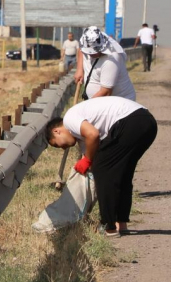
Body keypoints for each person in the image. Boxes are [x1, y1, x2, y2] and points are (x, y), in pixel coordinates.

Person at [46, 96, 157, 237]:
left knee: (103, 170)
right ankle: (121, 223)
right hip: (147, 122)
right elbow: (92, 150)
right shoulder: (80, 133)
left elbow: (93, 135)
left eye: (56, 144)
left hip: (131, 122)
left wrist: (87, 160)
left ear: (57, 131)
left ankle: (108, 226)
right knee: (123, 172)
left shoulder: (69, 120)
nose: (62, 148)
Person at [75, 26, 136, 101]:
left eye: (94, 52)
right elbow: (81, 49)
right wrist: (79, 69)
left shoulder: (111, 59)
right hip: (95, 101)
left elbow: (106, 92)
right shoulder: (90, 38)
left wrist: (85, 107)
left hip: (117, 104)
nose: (91, 54)